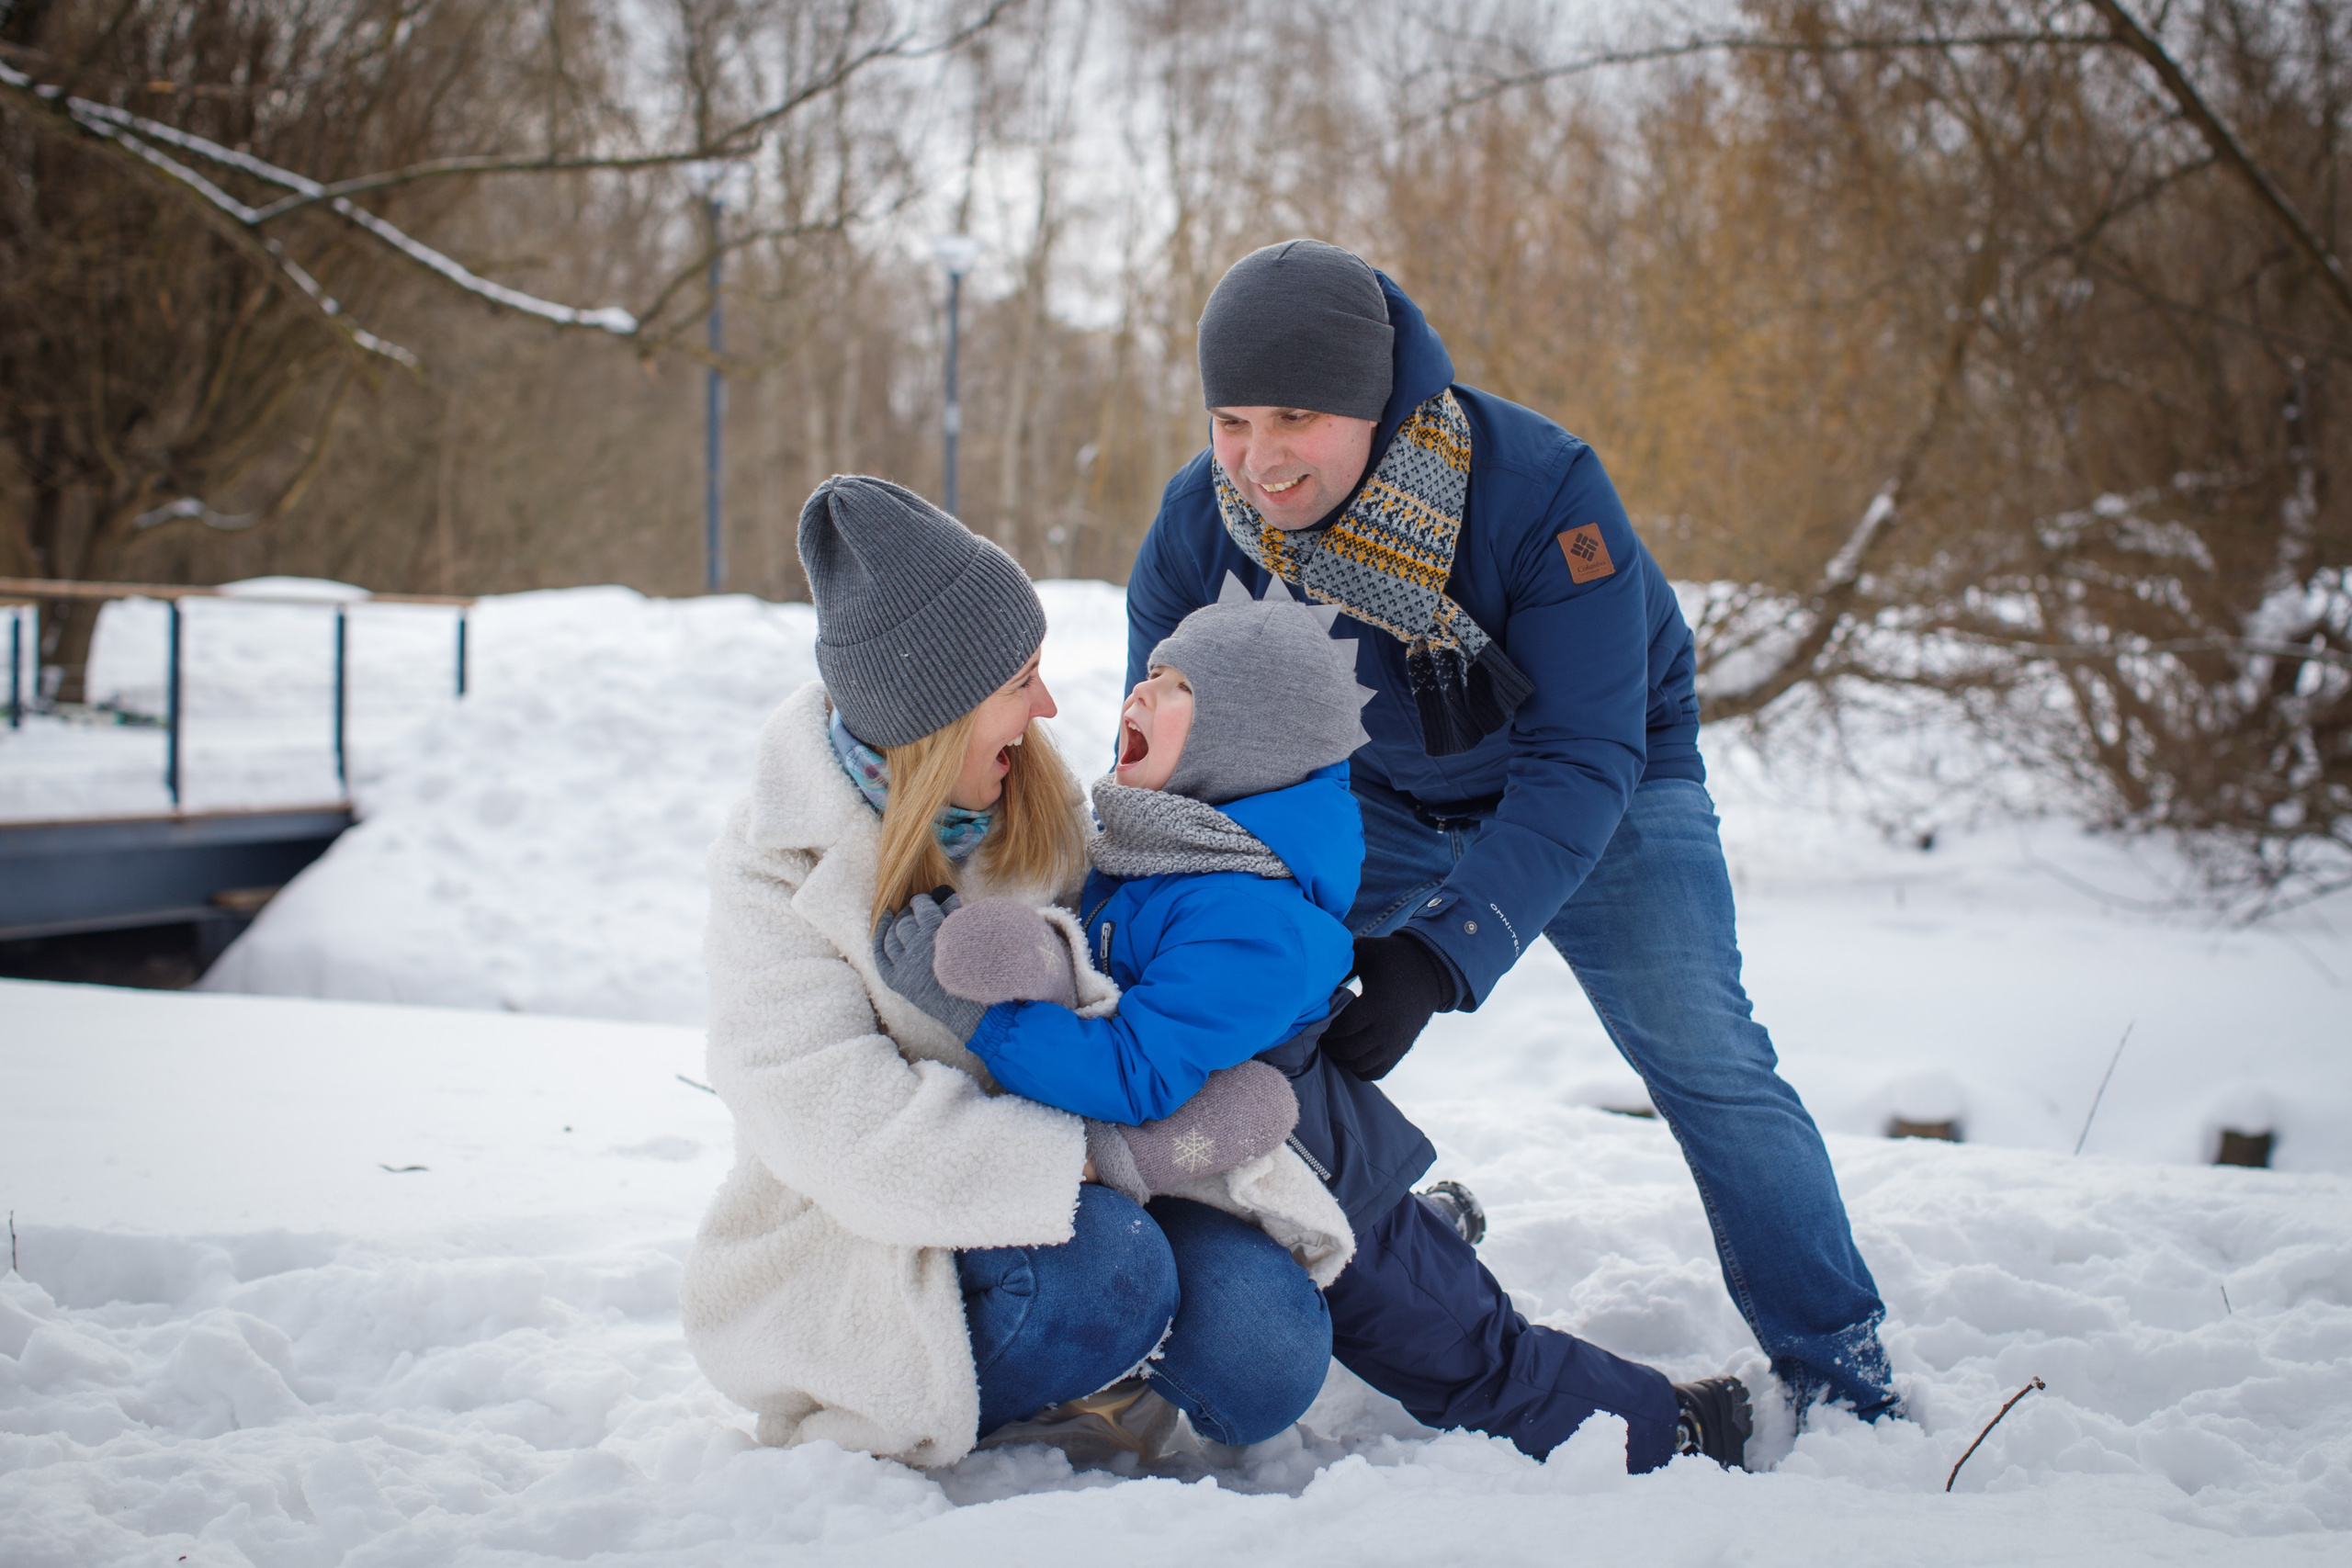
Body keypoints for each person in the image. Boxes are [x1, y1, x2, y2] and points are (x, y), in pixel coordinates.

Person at [1123, 239, 1900, 1445]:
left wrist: (1442, 952)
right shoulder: (1199, 530)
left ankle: (1840, 1359)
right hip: (1372, 790)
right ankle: (1364, 1238)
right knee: (1237, 1015)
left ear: (1375, 407)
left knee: (1707, 1053)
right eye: (1230, 418)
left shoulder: (1540, 491)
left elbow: (1587, 751)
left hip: (1604, 778)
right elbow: (1177, 780)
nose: (1259, 458)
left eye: (1295, 415)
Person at [898, 571, 1748, 1472]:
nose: (1138, 692)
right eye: (1151, 671)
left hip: (1330, 1199)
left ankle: (1671, 1427)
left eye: (1177, 687)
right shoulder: (1164, 846)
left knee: (1474, 1363)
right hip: (1244, 1171)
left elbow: (1136, 1074)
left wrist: (975, 1013)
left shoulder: (1247, 916)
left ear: (1245, 740)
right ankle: (1441, 1233)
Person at [681, 475, 1344, 1469]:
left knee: (1269, 1348)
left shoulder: (1032, 798)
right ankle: (998, 1385)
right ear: (936, 710)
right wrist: (1097, 1158)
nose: (1047, 704)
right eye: (1016, 682)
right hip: (876, 1238)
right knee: (1109, 1276)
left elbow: (1125, 992)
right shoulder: (778, 867)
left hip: (1096, 1189)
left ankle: (1098, 1366)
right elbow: (842, 1133)